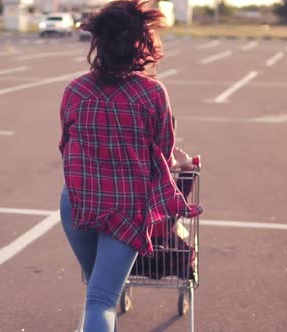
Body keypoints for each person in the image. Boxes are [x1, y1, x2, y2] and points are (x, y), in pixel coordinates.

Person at [58, 0, 203, 331]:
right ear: (141, 44)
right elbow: (162, 155)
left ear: (100, 43)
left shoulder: (76, 91)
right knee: (101, 300)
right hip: (126, 209)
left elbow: (68, 146)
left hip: (78, 204)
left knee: (97, 287)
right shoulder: (151, 94)